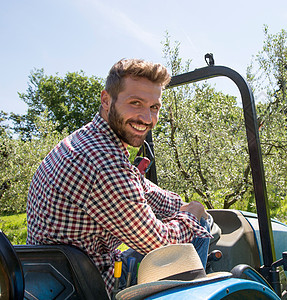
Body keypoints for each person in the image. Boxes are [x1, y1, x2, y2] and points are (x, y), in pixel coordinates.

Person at [26, 58, 212, 295]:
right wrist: (194, 217)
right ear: (106, 100)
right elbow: (161, 242)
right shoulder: (101, 162)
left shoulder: (87, 141)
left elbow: (139, 187)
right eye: (136, 103)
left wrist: (181, 205)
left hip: (60, 281)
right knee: (194, 234)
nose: (147, 118)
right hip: (93, 287)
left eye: (154, 107)